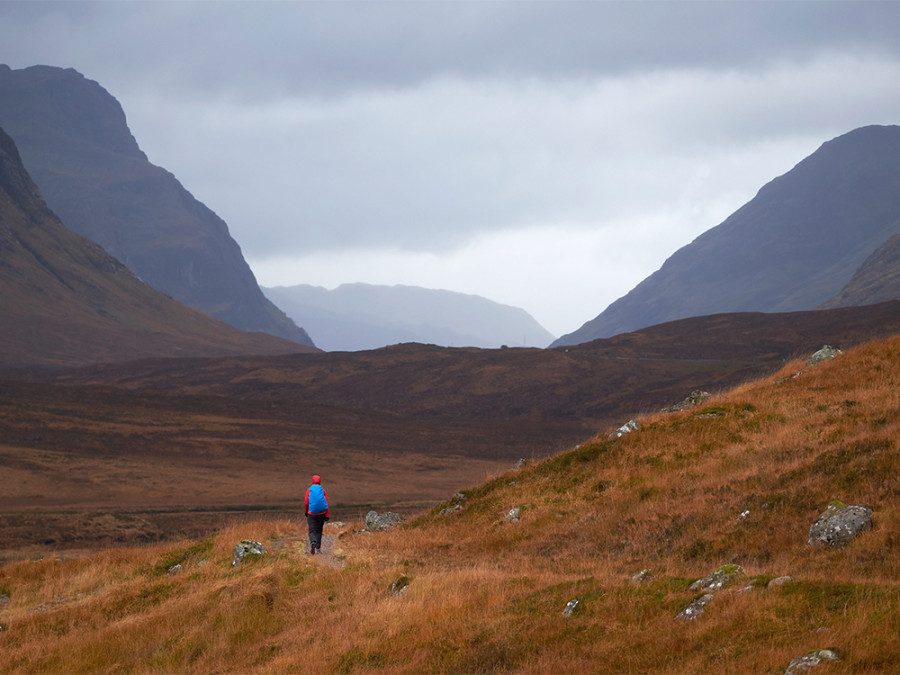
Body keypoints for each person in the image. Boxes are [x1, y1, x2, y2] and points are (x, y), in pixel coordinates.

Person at [304, 474, 329, 555]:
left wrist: (306, 511)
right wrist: (327, 515)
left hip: (311, 513)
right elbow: (326, 503)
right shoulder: (322, 490)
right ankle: (318, 549)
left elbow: (306, 502)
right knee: (319, 530)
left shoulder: (309, 490)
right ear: (319, 481)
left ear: (312, 481)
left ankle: (313, 542)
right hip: (321, 513)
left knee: (312, 530)